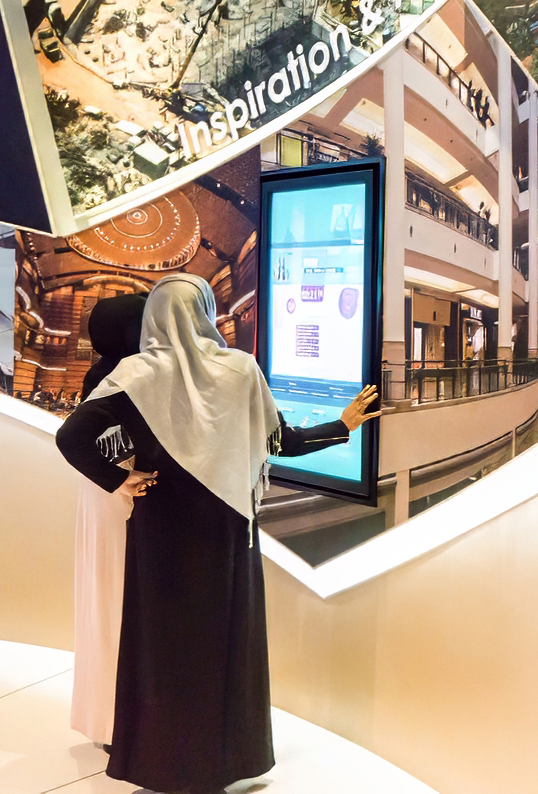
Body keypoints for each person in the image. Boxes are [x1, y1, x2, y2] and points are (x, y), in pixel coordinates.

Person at [56, 273, 381, 793]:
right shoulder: (240, 370)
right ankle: (223, 762)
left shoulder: (135, 374)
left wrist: (120, 479)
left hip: (159, 531)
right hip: (226, 532)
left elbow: (72, 436)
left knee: (161, 650)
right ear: (205, 312)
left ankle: (160, 765)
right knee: (223, 649)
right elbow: (281, 442)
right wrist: (340, 426)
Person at [70, 292, 148, 748]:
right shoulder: (123, 377)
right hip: (119, 501)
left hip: (99, 497)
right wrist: (123, 478)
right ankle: (120, 722)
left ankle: (105, 718)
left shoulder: (99, 372)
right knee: (118, 604)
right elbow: (100, 443)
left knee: (101, 604)